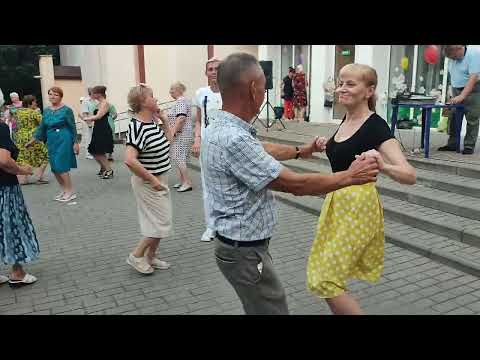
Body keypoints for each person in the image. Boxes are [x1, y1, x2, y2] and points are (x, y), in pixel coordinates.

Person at [202, 53, 380, 315]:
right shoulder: (233, 138)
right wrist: (350, 177)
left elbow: (262, 149)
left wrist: (301, 150)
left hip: (239, 248)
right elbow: (294, 184)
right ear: (253, 89)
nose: (264, 92)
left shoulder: (220, 126)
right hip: (244, 253)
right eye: (263, 86)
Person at [307, 64, 416, 315]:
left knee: (324, 279)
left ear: (369, 91)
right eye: (341, 83)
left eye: (350, 84)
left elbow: (409, 175)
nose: (341, 88)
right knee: (324, 274)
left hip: (358, 207)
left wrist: (383, 166)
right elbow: (345, 156)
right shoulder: (346, 119)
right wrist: (327, 144)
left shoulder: (375, 125)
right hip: (337, 203)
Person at [124, 84, 173, 274]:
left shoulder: (152, 122)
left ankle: (150, 257)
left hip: (160, 179)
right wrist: (152, 180)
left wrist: (165, 121)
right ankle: (136, 256)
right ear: (143, 102)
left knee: (159, 221)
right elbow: (129, 159)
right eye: (152, 96)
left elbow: (167, 143)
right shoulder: (137, 127)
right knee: (160, 222)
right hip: (148, 183)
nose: (156, 99)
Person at [0, 122, 40, 286]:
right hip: (4, 188)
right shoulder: (0, 127)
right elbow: (3, 161)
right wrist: (25, 170)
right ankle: (17, 272)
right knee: (13, 226)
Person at [26, 86, 79, 202]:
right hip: (51, 140)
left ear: (60, 96)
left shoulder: (66, 110)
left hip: (64, 138)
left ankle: (70, 191)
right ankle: (64, 190)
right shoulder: (46, 110)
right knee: (55, 167)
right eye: (50, 94)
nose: (52, 96)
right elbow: (42, 127)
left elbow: (72, 127)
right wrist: (33, 140)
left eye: (55, 94)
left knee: (61, 166)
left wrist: (75, 142)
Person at [192, 57, 223, 242]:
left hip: (226, 145)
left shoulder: (231, 91)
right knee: (208, 187)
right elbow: (198, 120)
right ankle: (211, 226)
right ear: (206, 73)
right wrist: (197, 139)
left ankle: (226, 225)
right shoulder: (201, 93)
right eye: (210, 69)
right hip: (207, 146)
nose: (213, 71)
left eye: (217, 68)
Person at [438, 45, 480, 155]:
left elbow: (473, 77)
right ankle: (452, 144)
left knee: (472, 118)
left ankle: (469, 146)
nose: (453, 59)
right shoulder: (453, 56)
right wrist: (451, 93)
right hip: (457, 89)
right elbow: (454, 75)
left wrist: (462, 96)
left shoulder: (474, 53)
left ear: (458, 49)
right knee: (454, 117)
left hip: (474, 89)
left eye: (454, 57)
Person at [15, 95, 49, 185]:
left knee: (24, 157)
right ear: (30, 103)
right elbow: (43, 124)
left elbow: (15, 124)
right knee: (46, 155)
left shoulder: (18, 112)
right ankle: (39, 177)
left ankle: (23, 179)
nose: (36, 103)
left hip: (20, 137)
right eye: (35, 102)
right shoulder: (34, 112)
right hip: (33, 137)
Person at [81, 86, 114, 179]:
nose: (92, 95)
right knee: (93, 150)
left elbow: (99, 116)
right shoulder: (98, 103)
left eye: (94, 93)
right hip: (98, 128)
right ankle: (104, 168)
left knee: (98, 151)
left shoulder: (105, 103)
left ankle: (109, 170)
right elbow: (94, 115)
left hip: (103, 128)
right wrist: (86, 116)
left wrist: (87, 118)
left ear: (99, 94)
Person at [167, 81, 193, 192]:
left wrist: (172, 132)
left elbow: (181, 118)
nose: (170, 92)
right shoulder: (183, 101)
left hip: (180, 134)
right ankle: (183, 181)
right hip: (182, 134)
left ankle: (187, 182)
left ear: (179, 90)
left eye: (172, 89)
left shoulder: (181, 101)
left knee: (179, 157)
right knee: (180, 158)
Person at [80, 88, 97, 160]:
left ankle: (94, 151)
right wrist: (88, 123)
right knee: (88, 138)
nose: (96, 94)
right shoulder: (86, 101)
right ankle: (88, 153)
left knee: (94, 138)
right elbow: (85, 113)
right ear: (91, 93)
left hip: (96, 122)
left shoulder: (96, 101)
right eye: (95, 93)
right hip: (88, 122)